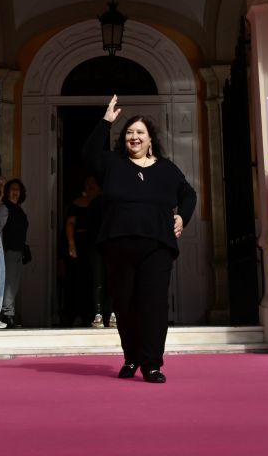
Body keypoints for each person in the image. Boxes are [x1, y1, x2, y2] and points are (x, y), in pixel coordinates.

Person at [82, 94, 198, 383]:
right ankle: (131, 357)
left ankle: (152, 364)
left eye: (140, 133)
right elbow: (88, 155)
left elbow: (189, 195)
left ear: (150, 139)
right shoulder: (113, 164)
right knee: (125, 305)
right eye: (130, 132)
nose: (134, 137)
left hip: (157, 246)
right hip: (119, 245)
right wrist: (106, 121)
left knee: (154, 305)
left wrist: (182, 217)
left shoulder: (166, 169)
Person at [64, 172, 108, 328]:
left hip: (99, 243)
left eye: (93, 183)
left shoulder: (104, 202)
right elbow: (70, 223)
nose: (90, 186)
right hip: (82, 244)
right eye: (87, 184)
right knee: (82, 280)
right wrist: (71, 244)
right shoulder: (78, 203)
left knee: (101, 279)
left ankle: (103, 314)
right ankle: (81, 315)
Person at [0, 178, 30, 328]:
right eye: (12, 189)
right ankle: (6, 314)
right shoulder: (5, 208)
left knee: (14, 283)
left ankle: (9, 313)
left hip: (18, 251)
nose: (16, 192)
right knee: (9, 283)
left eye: (18, 189)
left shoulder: (19, 210)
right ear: (7, 191)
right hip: (8, 250)